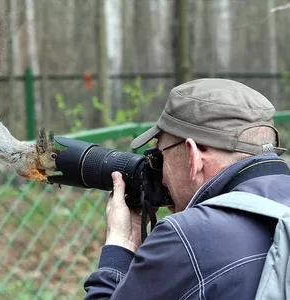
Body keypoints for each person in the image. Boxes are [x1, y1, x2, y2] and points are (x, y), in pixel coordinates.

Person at [83, 78, 290, 300]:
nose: (160, 175)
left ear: (194, 156)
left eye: (160, 157)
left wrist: (119, 246)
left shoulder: (187, 237)